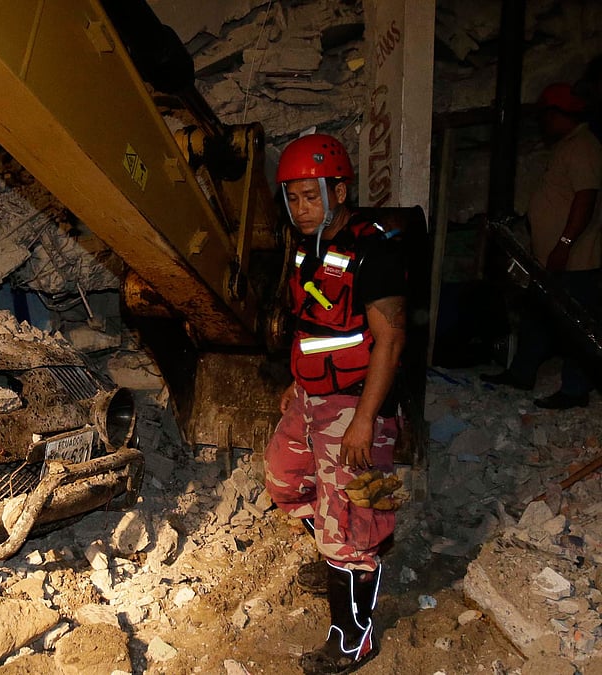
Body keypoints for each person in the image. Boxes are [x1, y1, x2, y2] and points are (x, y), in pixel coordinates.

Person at [264, 133, 407, 674]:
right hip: (311, 397)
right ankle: (338, 551)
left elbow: (389, 340)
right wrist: (296, 381)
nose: (301, 208)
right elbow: (313, 322)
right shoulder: (309, 245)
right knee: (282, 480)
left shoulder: (376, 249)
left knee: (353, 519)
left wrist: (366, 420)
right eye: (293, 197)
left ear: (340, 190)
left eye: (311, 196)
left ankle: (355, 638)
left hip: (356, 405)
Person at [480, 82, 602, 409]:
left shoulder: (583, 147)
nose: (542, 124)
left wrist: (563, 243)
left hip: (576, 259)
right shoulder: (568, 146)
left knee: (576, 324)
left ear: (558, 113)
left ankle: (575, 390)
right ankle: (522, 372)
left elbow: (585, 198)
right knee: (539, 314)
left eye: (545, 116)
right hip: (551, 257)